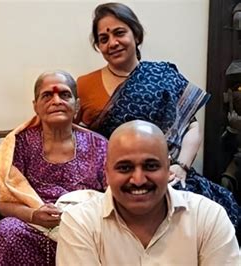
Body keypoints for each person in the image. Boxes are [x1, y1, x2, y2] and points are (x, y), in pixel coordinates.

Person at [76, 2, 239, 228]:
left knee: (220, 209)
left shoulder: (163, 73)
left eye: (119, 33)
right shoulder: (84, 85)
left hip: (169, 173)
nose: (112, 43)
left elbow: (191, 126)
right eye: (103, 39)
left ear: (136, 34)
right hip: (116, 181)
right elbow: (74, 135)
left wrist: (180, 167)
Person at [56, 120, 240, 265]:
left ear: (169, 169)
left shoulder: (208, 216)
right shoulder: (80, 222)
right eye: (125, 167)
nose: (138, 179)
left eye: (150, 166)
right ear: (107, 172)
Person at [0, 70, 108, 265]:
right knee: (8, 230)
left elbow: (115, 196)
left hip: (85, 231)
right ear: (36, 106)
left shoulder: (99, 145)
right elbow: (3, 203)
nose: (56, 101)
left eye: (64, 94)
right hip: (34, 229)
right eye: (47, 95)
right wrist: (34, 215)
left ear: (77, 105)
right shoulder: (20, 143)